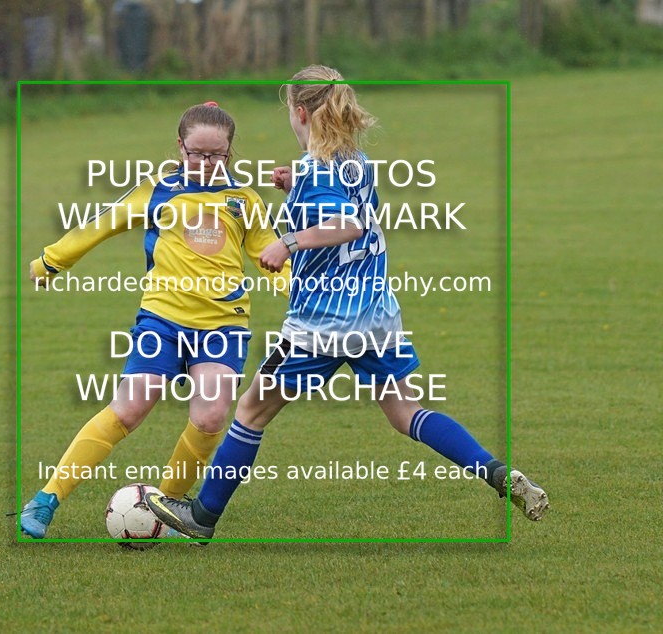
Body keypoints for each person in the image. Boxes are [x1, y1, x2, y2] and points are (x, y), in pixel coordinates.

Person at [146, 66, 549, 540]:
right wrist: (295, 188)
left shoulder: (318, 170)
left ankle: (202, 518)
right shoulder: (354, 160)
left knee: (250, 413)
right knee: (406, 414)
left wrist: (288, 242)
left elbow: (348, 226)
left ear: (299, 112)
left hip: (324, 320)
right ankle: (495, 472)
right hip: (377, 313)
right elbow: (347, 205)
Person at [20, 102, 290, 538]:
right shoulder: (157, 191)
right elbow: (99, 225)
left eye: (215, 155)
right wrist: (51, 261)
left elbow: (270, 257)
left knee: (210, 419)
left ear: (229, 152)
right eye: (196, 153)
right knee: (129, 409)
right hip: (162, 321)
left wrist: (303, 294)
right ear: (180, 146)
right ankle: (47, 499)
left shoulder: (244, 202)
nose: (205, 163)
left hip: (223, 326)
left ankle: (163, 512)